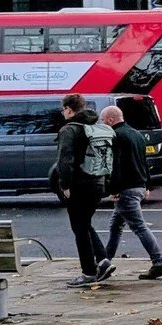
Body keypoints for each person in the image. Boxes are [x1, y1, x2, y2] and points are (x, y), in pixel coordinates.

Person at [50, 93, 116, 286]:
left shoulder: (69, 130)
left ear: (69, 110)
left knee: (79, 228)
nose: (63, 113)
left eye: (64, 110)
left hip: (79, 185)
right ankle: (103, 261)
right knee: (85, 223)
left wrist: (65, 185)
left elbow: (65, 160)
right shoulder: (95, 127)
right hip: (97, 182)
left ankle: (88, 272)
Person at [97, 105, 162, 281]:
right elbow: (145, 162)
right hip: (137, 185)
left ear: (110, 120)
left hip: (126, 189)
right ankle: (104, 262)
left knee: (138, 226)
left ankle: (159, 263)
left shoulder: (116, 136)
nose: (102, 124)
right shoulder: (136, 134)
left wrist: (112, 189)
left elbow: (117, 165)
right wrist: (147, 186)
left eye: (103, 121)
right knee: (115, 227)